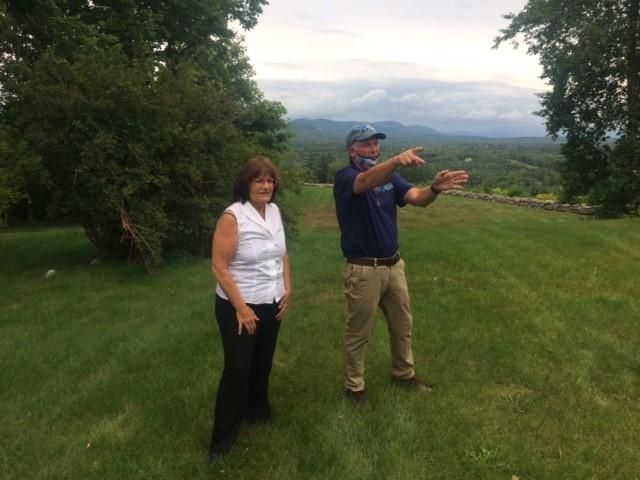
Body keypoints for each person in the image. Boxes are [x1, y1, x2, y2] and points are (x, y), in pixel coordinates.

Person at [334, 124, 469, 406]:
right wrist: (395, 160)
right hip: (363, 270)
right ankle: (354, 388)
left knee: (402, 324)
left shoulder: (391, 178)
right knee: (359, 332)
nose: (373, 148)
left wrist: (434, 188)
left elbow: (418, 199)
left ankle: (404, 374)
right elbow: (365, 183)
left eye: (375, 143)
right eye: (366, 144)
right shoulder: (346, 177)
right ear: (352, 150)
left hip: (394, 266)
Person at [208, 156, 292, 462]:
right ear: (246, 184)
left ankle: (257, 411)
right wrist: (241, 308)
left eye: (270, 180)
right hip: (238, 305)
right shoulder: (233, 217)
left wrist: (288, 286)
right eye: (259, 180)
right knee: (237, 370)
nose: (266, 186)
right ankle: (221, 442)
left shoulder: (275, 211)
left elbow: (281, 253)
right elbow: (219, 267)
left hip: (272, 300)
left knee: (262, 362)